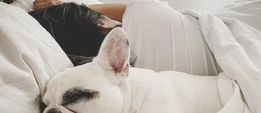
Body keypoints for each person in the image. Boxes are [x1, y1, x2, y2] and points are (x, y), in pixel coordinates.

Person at [9, 0, 220, 75]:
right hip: (223, 35)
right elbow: (120, 13)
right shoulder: (144, 11)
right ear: (104, 23)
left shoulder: (133, 79)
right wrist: (67, 9)